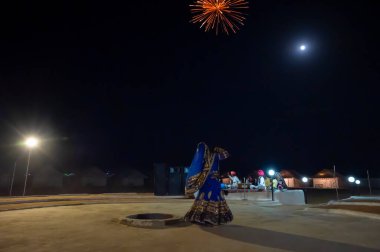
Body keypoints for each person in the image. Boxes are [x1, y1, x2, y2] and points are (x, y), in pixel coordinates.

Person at [184, 142, 233, 225]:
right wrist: (218, 148)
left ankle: (199, 217)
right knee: (214, 197)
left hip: (205, 180)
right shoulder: (214, 156)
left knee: (203, 198)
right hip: (213, 181)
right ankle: (209, 218)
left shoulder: (205, 158)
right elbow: (226, 154)